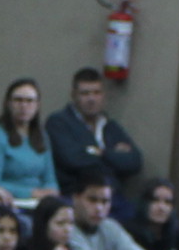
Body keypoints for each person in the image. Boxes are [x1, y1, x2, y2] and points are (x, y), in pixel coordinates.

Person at [43, 68, 146, 205]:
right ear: (74, 95)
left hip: (114, 198)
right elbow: (72, 160)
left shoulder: (110, 126)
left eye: (97, 93)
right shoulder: (58, 122)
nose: (91, 99)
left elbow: (135, 161)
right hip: (76, 198)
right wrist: (115, 157)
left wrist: (101, 153)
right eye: (85, 93)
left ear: (103, 95)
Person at [0, 78, 59, 208]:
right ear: (8, 103)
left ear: (37, 105)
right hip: (8, 202)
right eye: (18, 100)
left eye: (29, 101)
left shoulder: (42, 135)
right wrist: (30, 193)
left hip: (40, 203)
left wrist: (50, 192)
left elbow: (50, 179)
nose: (24, 106)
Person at [68, 179, 161, 250]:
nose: (99, 208)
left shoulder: (109, 226)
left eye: (105, 201)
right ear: (75, 198)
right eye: (92, 200)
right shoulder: (68, 229)